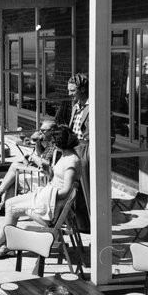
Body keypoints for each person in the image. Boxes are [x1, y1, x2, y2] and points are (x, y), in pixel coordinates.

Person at [0, 124, 80, 257]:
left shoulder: (71, 162)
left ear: (61, 142)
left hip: (52, 208)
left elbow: (65, 191)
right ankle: (6, 245)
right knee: (9, 203)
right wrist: (48, 171)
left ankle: (0, 244)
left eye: (54, 141)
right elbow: (57, 179)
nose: (53, 144)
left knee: (11, 208)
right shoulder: (65, 155)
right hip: (48, 197)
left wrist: (45, 196)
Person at [0, 120, 57, 216]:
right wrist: (37, 142)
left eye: (43, 130)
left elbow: (45, 164)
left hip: (46, 177)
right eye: (40, 130)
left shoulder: (56, 144)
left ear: (52, 130)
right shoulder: (49, 142)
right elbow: (41, 156)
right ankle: (2, 204)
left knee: (14, 170)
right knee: (14, 172)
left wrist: (32, 156)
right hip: (42, 172)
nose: (40, 132)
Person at [67, 73, 90, 232]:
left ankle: (87, 225)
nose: (70, 94)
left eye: (73, 90)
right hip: (74, 148)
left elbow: (110, 136)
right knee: (72, 187)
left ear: (82, 89)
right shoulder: (76, 106)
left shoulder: (94, 106)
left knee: (85, 188)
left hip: (86, 149)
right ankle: (77, 223)